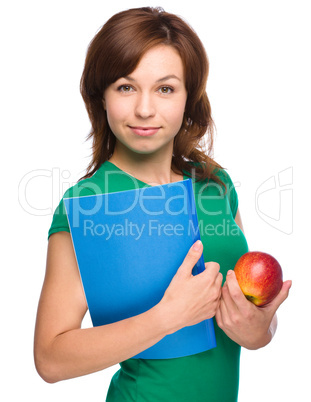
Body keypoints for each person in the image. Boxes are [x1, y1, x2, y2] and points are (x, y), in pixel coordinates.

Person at [34, 7, 291, 401]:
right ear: (101, 95)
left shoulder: (215, 185)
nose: (144, 109)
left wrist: (258, 331)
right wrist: (165, 319)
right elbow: (50, 359)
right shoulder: (87, 204)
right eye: (125, 87)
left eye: (165, 88)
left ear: (189, 97)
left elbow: (251, 322)